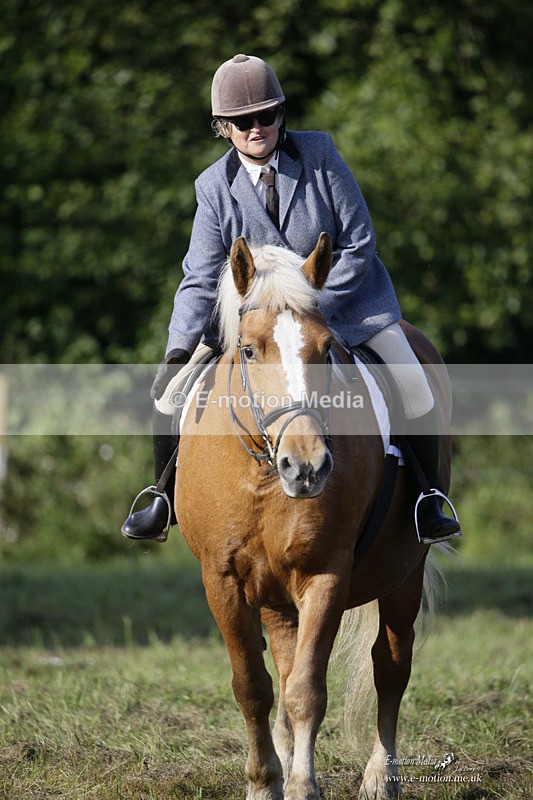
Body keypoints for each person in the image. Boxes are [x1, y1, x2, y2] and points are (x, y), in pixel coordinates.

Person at [121, 53, 461, 545]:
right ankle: (162, 498)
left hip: (344, 307)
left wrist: (311, 307)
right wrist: (178, 349)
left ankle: (428, 500)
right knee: (167, 395)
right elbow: (198, 277)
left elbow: (360, 243)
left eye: (266, 116)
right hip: (253, 323)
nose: (256, 129)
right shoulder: (213, 187)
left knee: (414, 383)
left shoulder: (320, 155)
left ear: (280, 115)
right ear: (224, 128)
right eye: (242, 122)